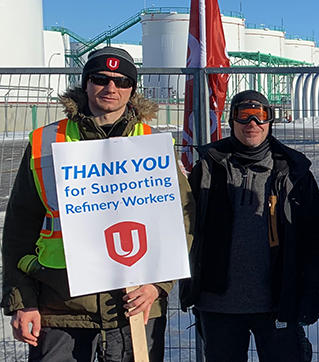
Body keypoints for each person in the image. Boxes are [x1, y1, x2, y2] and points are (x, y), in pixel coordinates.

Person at [1, 47, 193, 361]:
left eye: (121, 81)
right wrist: (22, 301)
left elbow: (181, 222)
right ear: (86, 83)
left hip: (134, 303)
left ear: (132, 90)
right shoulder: (46, 142)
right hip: (61, 302)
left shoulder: (152, 145)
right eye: (100, 79)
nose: (111, 88)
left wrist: (158, 285)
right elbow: (19, 228)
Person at [179, 90, 319, 361]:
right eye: (243, 114)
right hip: (218, 304)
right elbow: (186, 225)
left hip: (278, 302)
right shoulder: (209, 166)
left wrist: (313, 288)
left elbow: (313, 236)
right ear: (232, 119)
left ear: (270, 121)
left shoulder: (293, 170)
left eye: (260, 115)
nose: (252, 123)